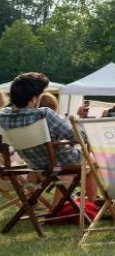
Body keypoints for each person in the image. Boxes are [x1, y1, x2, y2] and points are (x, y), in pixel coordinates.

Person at [0, 72, 97, 202]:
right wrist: (81, 125)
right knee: (93, 161)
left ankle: (68, 206)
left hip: (34, 165)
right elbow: (78, 136)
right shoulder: (44, 114)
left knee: (78, 163)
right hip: (60, 162)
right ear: (34, 99)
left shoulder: (3, 116)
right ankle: (90, 204)